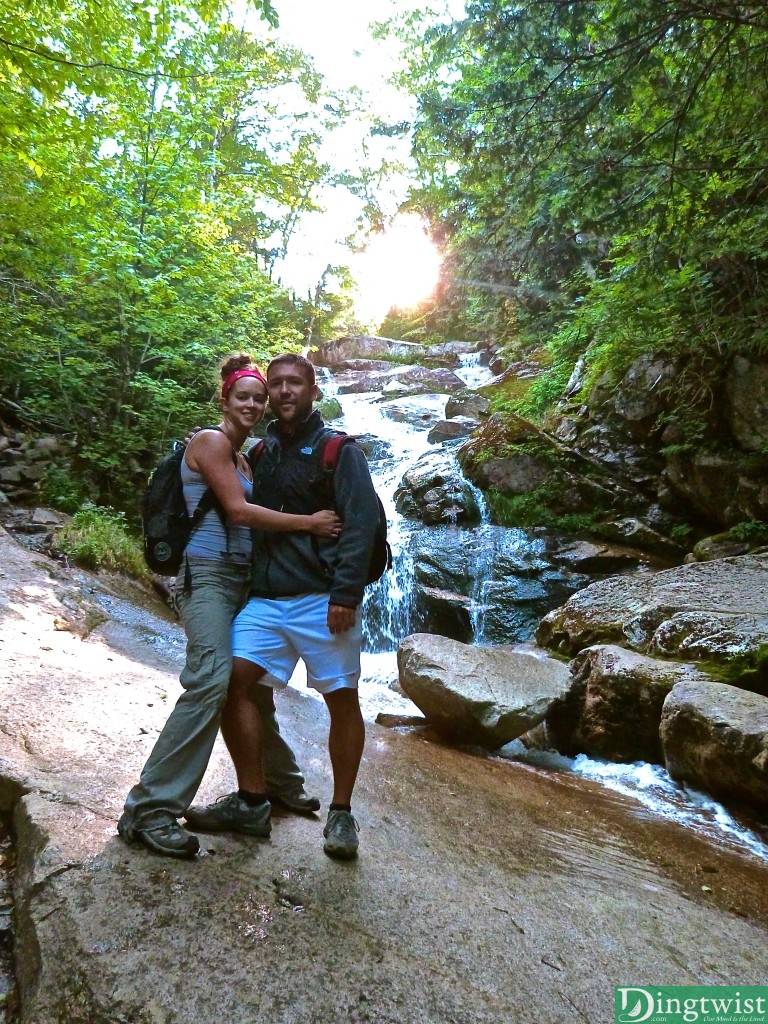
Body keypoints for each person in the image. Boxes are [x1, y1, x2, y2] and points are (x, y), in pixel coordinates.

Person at [118, 354, 342, 859]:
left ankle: (276, 784)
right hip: (209, 579)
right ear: (224, 400)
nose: (254, 404)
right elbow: (238, 512)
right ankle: (149, 809)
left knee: (250, 684)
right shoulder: (211, 443)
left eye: (260, 398)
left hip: (243, 581)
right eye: (244, 396)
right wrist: (310, 523)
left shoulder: (247, 458)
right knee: (212, 680)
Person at [184, 352, 379, 859]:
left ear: (314, 391)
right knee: (231, 682)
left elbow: (362, 524)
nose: (286, 391)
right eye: (278, 384)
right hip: (268, 601)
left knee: (342, 700)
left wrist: (345, 594)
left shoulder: (340, 450)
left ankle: (341, 813)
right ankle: (253, 799)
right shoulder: (260, 454)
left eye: (296, 382)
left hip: (322, 599)